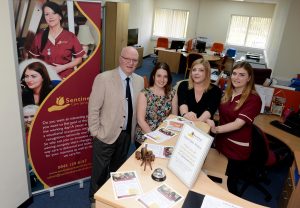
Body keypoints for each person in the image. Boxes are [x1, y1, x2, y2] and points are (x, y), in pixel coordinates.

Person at [88, 46, 144, 204]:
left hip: (126, 135)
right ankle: (94, 200)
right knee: (99, 172)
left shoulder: (139, 80)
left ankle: (111, 198)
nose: (130, 63)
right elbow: (93, 108)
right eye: (127, 59)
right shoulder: (103, 78)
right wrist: (95, 132)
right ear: (120, 59)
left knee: (117, 170)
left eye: (134, 60)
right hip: (105, 134)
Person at [206, 61, 262, 195]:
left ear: (249, 78)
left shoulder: (253, 99)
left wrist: (216, 129)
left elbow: (238, 123)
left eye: (242, 75)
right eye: (234, 74)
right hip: (221, 143)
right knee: (215, 177)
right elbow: (222, 114)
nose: (236, 78)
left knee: (230, 186)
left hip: (236, 149)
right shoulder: (228, 93)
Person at [28, 1, 85, 79]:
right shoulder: (39, 37)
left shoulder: (70, 36)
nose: (50, 17)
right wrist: (45, 68)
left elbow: (79, 59)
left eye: (54, 13)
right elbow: (33, 60)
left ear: (60, 17)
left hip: (65, 79)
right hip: (46, 79)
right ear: (45, 17)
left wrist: (62, 67)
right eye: (47, 14)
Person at [135, 62, 177, 149]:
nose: (162, 80)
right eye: (159, 76)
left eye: (165, 76)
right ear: (153, 77)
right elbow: (140, 120)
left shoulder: (172, 93)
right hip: (146, 134)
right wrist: (155, 139)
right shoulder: (144, 94)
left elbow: (174, 117)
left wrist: (167, 136)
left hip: (164, 134)